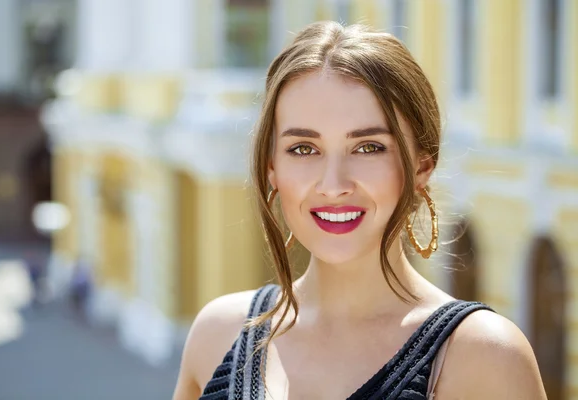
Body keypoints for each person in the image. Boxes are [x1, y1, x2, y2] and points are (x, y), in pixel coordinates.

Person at [173, 21, 546, 400]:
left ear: (421, 167)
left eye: (368, 147)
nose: (334, 185)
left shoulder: (484, 358)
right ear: (273, 168)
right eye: (304, 148)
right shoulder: (216, 334)